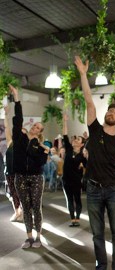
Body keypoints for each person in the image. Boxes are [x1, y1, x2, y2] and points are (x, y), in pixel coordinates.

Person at [75, 56, 115, 270]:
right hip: (93, 189)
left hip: (114, 190)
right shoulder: (95, 130)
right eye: (110, 110)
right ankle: (102, 266)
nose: (111, 113)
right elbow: (89, 101)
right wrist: (83, 74)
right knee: (97, 234)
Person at [10, 85, 49, 249]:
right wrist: (16, 99)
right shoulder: (19, 137)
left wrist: (41, 149)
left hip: (36, 177)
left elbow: (41, 162)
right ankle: (29, 237)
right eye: (34, 126)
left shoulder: (41, 147)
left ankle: (39, 237)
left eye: (38, 128)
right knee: (25, 208)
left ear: (40, 132)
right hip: (20, 177)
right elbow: (17, 119)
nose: (35, 128)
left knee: (36, 207)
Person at [61, 113, 87, 227]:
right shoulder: (69, 149)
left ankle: (78, 218)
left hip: (77, 180)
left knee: (77, 199)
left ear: (82, 144)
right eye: (75, 139)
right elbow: (65, 134)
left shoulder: (82, 155)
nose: (75, 140)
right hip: (66, 179)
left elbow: (88, 166)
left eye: (78, 139)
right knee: (69, 200)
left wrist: (84, 162)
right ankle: (72, 219)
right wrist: (65, 121)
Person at [3, 105, 23, 222]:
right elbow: (6, 128)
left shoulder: (24, 147)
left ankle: (23, 212)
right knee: (12, 193)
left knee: (21, 194)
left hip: (19, 173)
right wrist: (5, 114)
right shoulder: (11, 143)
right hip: (9, 172)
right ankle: (16, 212)